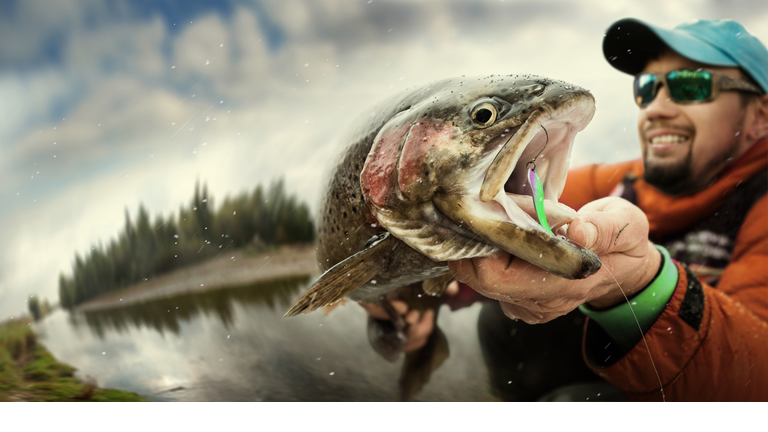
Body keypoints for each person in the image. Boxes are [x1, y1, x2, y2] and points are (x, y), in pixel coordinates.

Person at [448, 18, 768, 401]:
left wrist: (645, 284)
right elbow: (489, 208)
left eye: (690, 86)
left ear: (760, 116)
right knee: (504, 324)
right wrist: (431, 280)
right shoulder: (628, 178)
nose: (655, 110)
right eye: (647, 89)